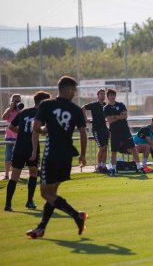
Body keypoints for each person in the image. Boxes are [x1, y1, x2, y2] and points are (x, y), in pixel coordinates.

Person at [26, 76, 88, 239]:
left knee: (45, 193)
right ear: (67, 90)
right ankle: (41, 228)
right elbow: (83, 133)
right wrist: (82, 154)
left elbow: (36, 127)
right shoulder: (75, 109)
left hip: (52, 153)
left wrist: (46, 130)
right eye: (74, 90)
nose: (75, 93)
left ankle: (77, 215)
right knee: (52, 194)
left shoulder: (47, 105)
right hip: (67, 155)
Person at [4, 91, 51, 211]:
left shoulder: (24, 112)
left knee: (14, 176)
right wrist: (34, 150)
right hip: (31, 148)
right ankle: (29, 202)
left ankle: (8, 204)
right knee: (33, 173)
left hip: (19, 147)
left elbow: (10, 126)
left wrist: (22, 133)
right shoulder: (41, 115)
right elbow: (35, 133)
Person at [103, 89, 146, 175]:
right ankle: (113, 169)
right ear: (107, 97)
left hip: (125, 131)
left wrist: (114, 116)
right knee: (114, 151)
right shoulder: (106, 108)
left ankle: (139, 167)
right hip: (115, 132)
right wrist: (119, 116)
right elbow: (109, 120)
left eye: (113, 95)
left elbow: (125, 116)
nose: (112, 97)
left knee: (133, 148)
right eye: (110, 95)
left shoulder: (121, 105)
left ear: (115, 96)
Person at [82, 89, 109, 173]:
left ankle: (103, 167)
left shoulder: (105, 105)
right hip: (97, 129)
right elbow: (82, 108)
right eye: (101, 94)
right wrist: (86, 119)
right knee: (102, 147)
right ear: (98, 95)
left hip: (105, 129)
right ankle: (98, 166)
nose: (103, 96)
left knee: (105, 148)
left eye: (104, 94)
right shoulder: (94, 104)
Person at [2, 94, 23, 180]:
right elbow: (4, 118)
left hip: (19, 137)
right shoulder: (9, 110)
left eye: (18, 101)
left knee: (18, 157)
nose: (17, 103)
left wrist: (19, 111)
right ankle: (6, 175)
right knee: (8, 156)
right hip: (9, 137)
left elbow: (23, 120)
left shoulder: (22, 111)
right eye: (15, 101)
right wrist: (10, 108)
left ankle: (16, 174)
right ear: (11, 102)